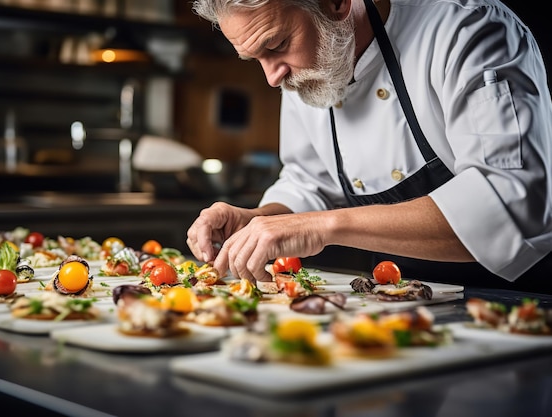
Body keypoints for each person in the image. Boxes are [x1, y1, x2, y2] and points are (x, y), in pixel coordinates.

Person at [186, 0, 552, 293]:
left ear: (336, 4)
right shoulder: (301, 71)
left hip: (521, 303)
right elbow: (309, 183)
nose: (271, 77)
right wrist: (260, 219)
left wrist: (322, 227)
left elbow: (510, 203)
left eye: (277, 45)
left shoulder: (466, 29)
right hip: (403, 299)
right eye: (256, 59)